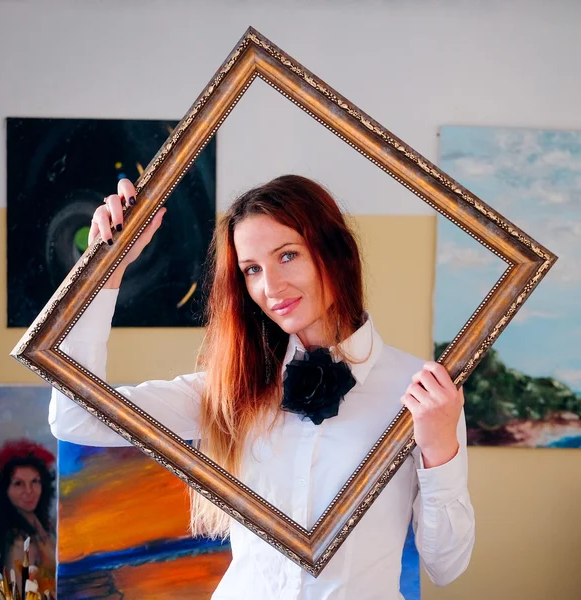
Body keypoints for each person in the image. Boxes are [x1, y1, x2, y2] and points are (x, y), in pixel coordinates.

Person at [49, 174, 475, 600]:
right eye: (252, 269)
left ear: (335, 253)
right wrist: (106, 268)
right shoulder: (229, 389)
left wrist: (441, 454)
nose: (270, 288)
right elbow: (75, 419)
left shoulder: (423, 393)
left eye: (287, 256)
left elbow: (446, 566)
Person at [0, 439, 57, 596]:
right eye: (19, 484)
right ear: (5, 490)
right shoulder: (20, 543)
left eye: (35, 482)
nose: (29, 491)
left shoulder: (38, 523)